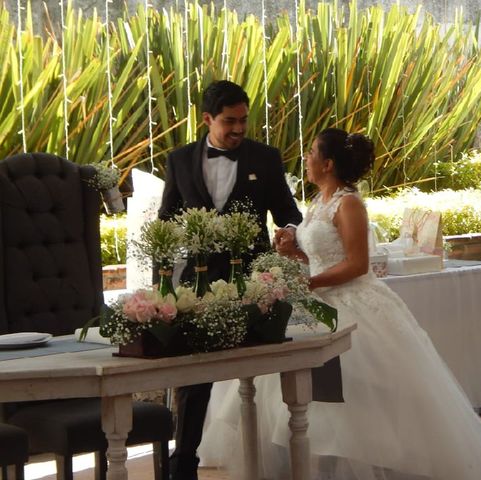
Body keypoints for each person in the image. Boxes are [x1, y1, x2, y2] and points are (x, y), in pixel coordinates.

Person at [197, 128, 481, 479]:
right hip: (319, 299)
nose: (306, 159)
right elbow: (321, 257)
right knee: (293, 392)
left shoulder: (348, 203)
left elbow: (357, 264)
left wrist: (310, 280)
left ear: (328, 163)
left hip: (352, 303)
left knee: (353, 397)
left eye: (311, 153)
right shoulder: (319, 201)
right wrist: (293, 253)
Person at [158, 80, 302, 480]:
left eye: (243, 120)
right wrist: (164, 280)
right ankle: (183, 463)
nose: (239, 129)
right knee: (195, 373)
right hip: (197, 282)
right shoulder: (180, 159)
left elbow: (288, 212)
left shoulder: (266, 158)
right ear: (207, 119)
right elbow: (167, 221)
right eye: (229, 121)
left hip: (252, 279)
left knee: (262, 369)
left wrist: (290, 231)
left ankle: (273, 459)